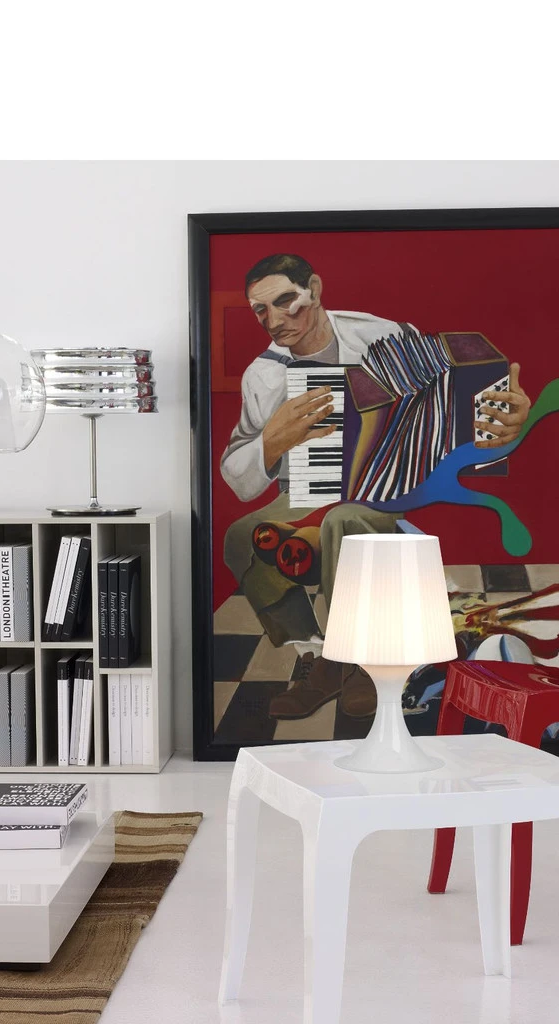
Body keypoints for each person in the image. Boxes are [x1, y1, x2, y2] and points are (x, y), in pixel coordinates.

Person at [220, 252, 530, 721]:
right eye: (260, 310)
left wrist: (503, 420)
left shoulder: (382, 337)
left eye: (285, 301)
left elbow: (455, 402)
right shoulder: (263, 375)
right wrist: (271, 442)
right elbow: (236, 474)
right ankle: (318, 654)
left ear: (314, 290)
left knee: (345, 519)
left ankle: (359, 660)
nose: (274, 320)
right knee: (241, 535)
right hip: (311, 486)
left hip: (394, 484)